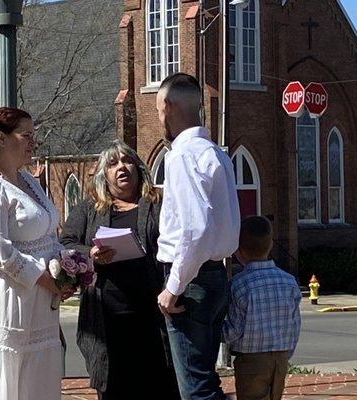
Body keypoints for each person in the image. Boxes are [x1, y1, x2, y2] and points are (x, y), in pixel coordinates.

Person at [59, 139, 180, 400]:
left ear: (139, 169)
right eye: (113, 164)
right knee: (114, 388)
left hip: (152, 312)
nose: (121, 167)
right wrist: (90, 254)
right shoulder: (90, 209)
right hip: (107, 316)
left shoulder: (159, 202)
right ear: (105, 175)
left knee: (160, 385)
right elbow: (65, 243)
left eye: (127, 161)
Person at [0, 107, 73, 400]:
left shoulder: (28, 183)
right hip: (8, 296)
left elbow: (48, 236)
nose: (33, 142)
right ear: (1, 138)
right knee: (12, 380)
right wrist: (44, 278)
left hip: (39, 302)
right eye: (26, 135)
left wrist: (69, 269)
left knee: (38, 380)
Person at [155, 73, 241, 400]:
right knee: (204, 381)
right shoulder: (216, 153)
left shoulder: (181, 156)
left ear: (167, 106)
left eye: (158, 110)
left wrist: (172, 288)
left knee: (196, 390)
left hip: (192, 280)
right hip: (216, 274)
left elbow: (195, 228)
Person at [223, 216, 301, 400]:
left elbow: (234, 329)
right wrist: (285, 352)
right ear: (270, 246)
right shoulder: (289, 281)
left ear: (238, 251)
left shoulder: (239, 284)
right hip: (280, 357)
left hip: (251, 359)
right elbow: (294, 325)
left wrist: (215, 333)